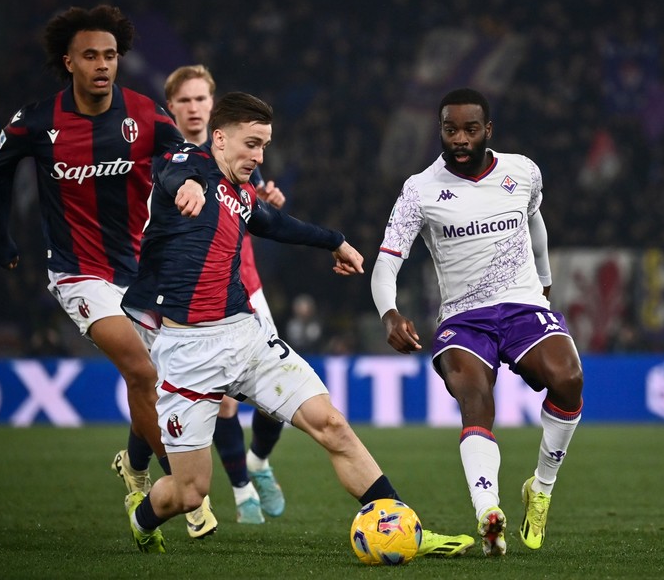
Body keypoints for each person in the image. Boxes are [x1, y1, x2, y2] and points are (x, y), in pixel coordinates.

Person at [120, 91, 474, 557]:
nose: (259, 156)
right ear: (220, 138)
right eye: (251, 144)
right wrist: (185, 185)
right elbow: (173, 174)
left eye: (264, 145)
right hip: (188, 353)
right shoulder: (189, 163)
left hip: (246, 337)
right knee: (188, 493)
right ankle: (143, 517)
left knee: (332, 424)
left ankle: (405, 529)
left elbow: (274, 222)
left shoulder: (241, 195)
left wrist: (335, 241)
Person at [0, 5, 217, 537]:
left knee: (170, 380)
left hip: (143, 271)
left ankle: (133, 466)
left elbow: (190, 154)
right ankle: (181, 486)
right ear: (68, 62)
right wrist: (1, 237)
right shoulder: (38, 121)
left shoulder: (143, 113)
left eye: (110, 55)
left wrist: (190, 180)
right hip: (78, 272)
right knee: (142, 371)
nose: (102, 65)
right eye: (90, 55)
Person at [370, 88, 584, 556]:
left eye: (470, 129)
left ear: (488, 130)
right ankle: (489, 512)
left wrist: (545, 281)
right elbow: (386, 262)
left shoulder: (522, 172)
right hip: (464, 318)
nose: (460, 138)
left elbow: (535, 223)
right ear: (440, 131)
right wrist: (389, 312)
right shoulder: (420, 190)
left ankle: (540, 488)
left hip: (524, 305)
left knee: (568, 379)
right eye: (450, 130)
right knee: (475, 396)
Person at [163, 64, 286, 525]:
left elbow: (247, 211)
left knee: (278, 393)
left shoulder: (240, 149)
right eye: (186, 100)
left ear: (214, 109)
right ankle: (241, 491)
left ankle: (257, 462)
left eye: (202, 100)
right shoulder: (168, 158)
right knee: (222, 400)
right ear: (171, 107)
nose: (195, 109)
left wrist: (267, 211)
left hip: (246, 286)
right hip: (191, 297)